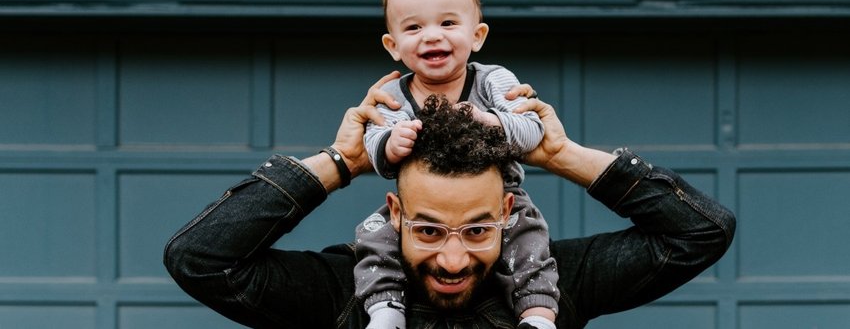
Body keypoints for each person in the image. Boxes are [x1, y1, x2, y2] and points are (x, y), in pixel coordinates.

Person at [163, 73, 736, 329]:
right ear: (394, 215)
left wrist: (561, 155)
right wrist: (340, 164)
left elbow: (701, 232)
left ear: (509, 214)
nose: (454, 261)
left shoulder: (556, 283)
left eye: (479, 230)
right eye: (430, 230)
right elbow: (200, 259)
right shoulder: (345, 292)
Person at [359, 0, 557, 327]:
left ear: (477, 35)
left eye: (448, 24)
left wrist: (493, 122)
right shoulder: (391, 95)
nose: (432, 36)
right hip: (420, 206)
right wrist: (389, 144)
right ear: (393, 45)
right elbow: (373, 147)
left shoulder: (493, 81)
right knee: (375, 237)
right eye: (414, 27)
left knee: (530, 243)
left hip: (500, 195)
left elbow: (532, 130)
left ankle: (538, 314)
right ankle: (386, 309)